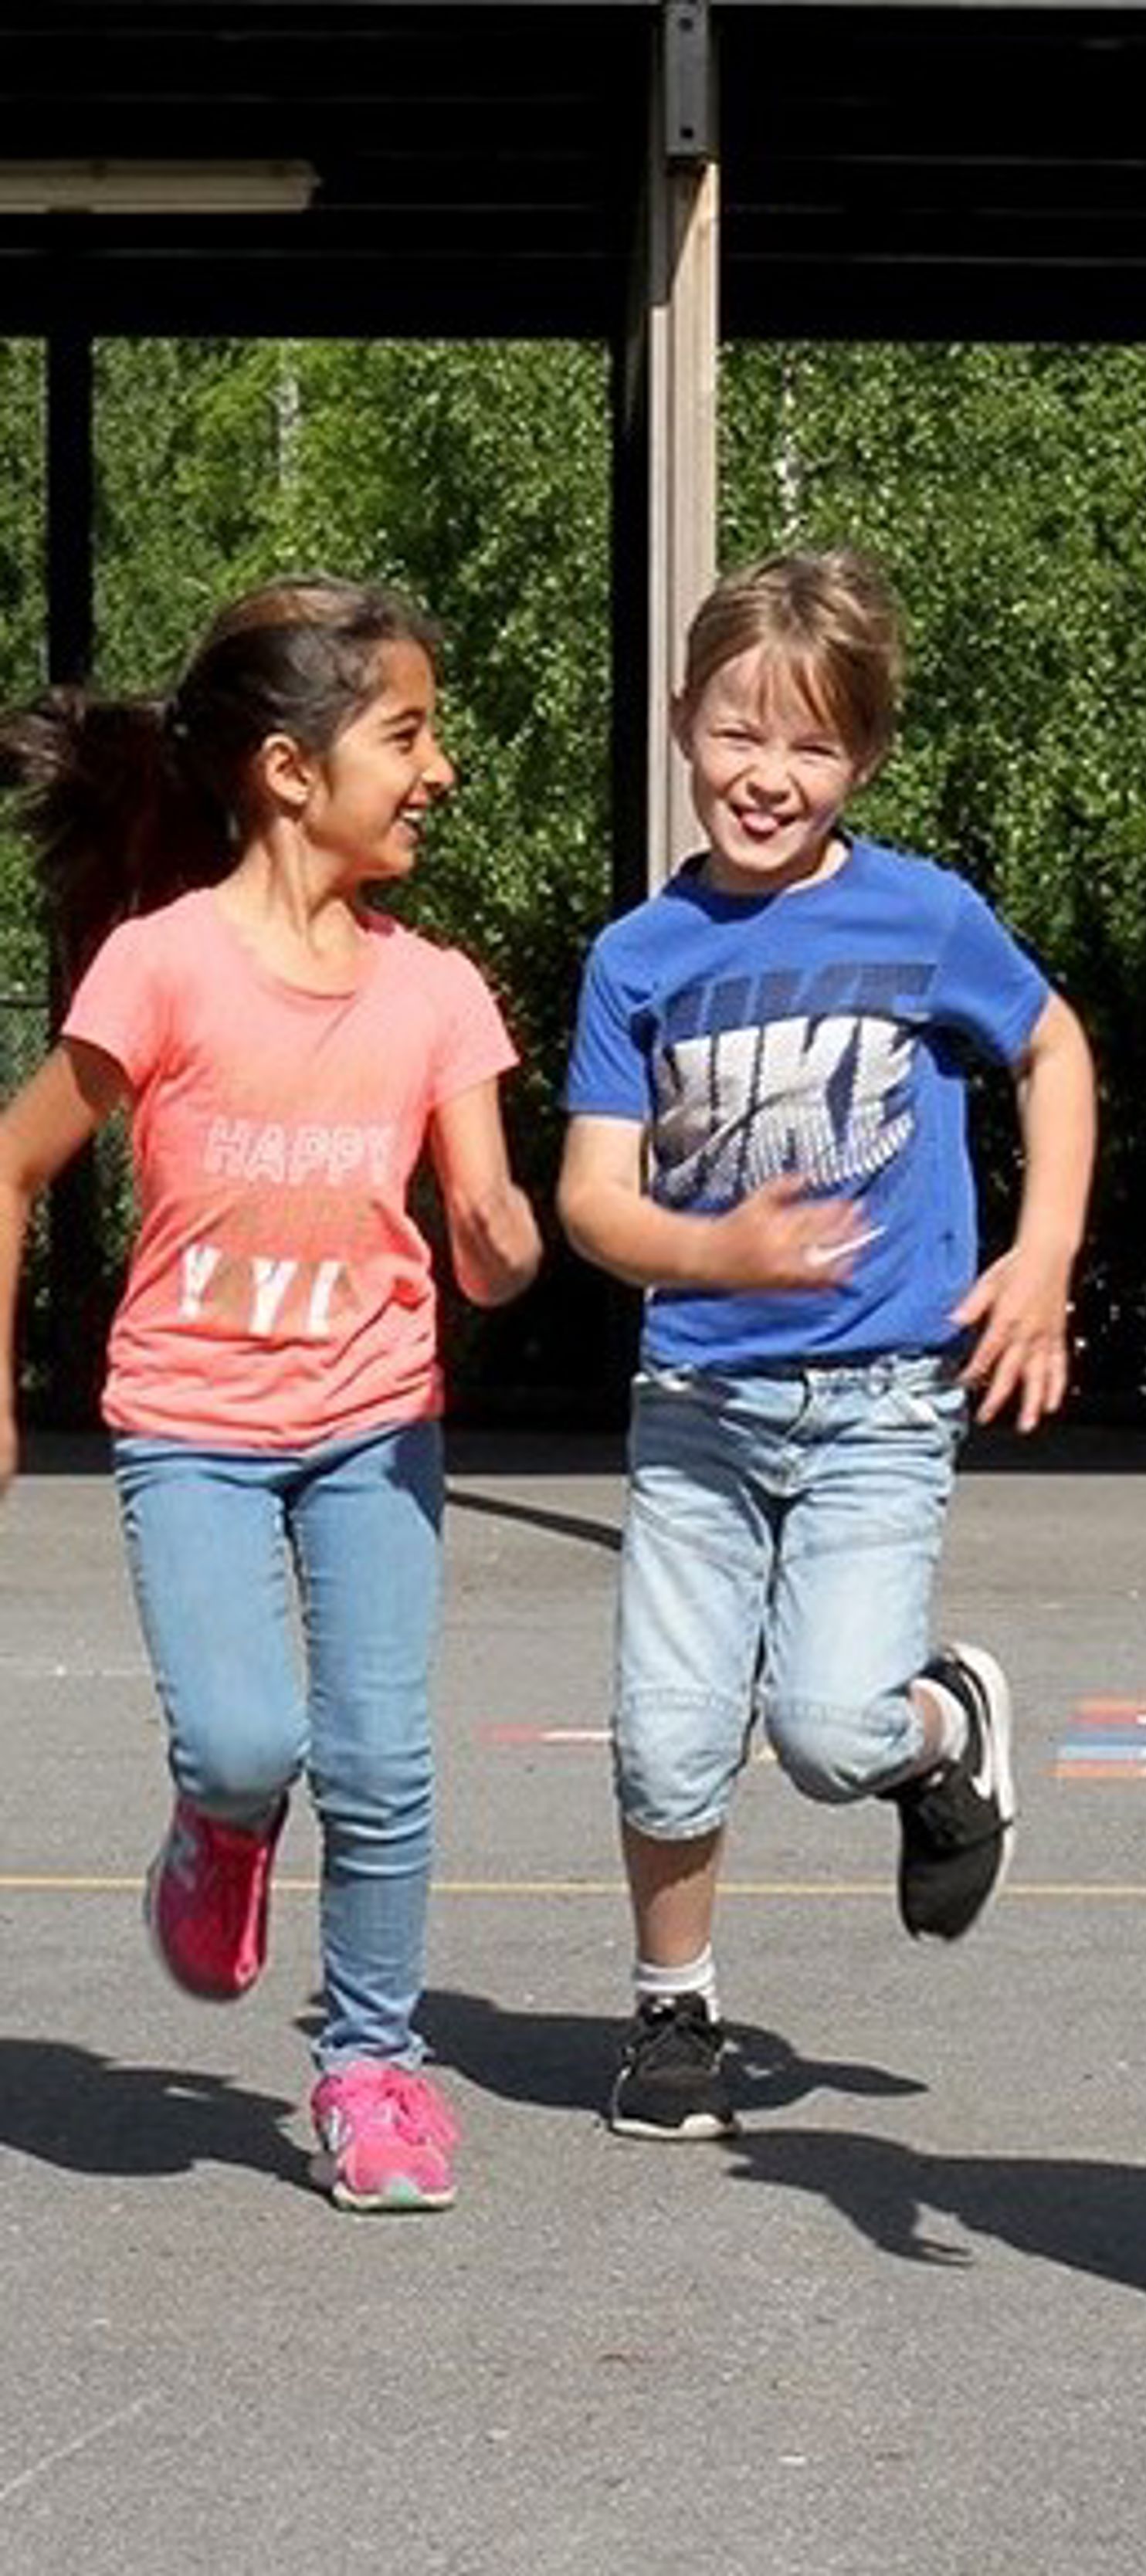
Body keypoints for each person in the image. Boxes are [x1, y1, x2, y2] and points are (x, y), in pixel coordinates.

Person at [0, 577, 541, 2213]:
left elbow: (487, 1229)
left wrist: (503, 1240)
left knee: (380, 1764)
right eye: (408, 735)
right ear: (292, 771)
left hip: (376, 1420)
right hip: (193, 1428)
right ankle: (219, 1825)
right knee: (246, 1742)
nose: (440, 770)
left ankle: (371, 2068)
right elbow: (13, 1166)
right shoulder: (162, 968)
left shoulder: (436, 991)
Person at [558, 547, 1095, 2140]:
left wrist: (1043, 1258)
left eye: (810, 745)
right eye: (738, 731)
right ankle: (673, 2014)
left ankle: (945, 1729)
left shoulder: (921, 916)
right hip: (698, 1408)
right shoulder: (640, 958)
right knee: (667, 1741)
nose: (767, 774)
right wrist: (710, 1250)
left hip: (880, 1405)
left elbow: (1053, 1049)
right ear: (682, 723)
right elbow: (592, 1199)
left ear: (863, 757)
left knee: (829, 1730)